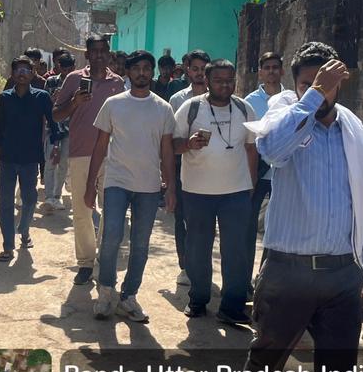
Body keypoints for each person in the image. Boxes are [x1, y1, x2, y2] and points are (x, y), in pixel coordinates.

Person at [211, 42, 363, 372]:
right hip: (288, 273)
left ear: (341, 83)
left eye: (325, 84)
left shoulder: (355, 134)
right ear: (297, 83)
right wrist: (311, 98)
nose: (317, 92)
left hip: (342, 277)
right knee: (265, 363)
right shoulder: (285, 116)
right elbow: (271, 150)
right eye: (307, 83)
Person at [85, 50, 177, 322]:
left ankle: (129, 297)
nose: (141, 73)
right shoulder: (114, 104)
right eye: (136, 68)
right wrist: (90, 184)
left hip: (148, 186)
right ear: (127, 71)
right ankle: (106, 292)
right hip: (116, 181)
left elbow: (167, 151)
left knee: (140, 244)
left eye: (146, 68)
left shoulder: (163, 108)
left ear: (152, 72)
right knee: (111, 236)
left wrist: (171, 188)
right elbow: (100, 145)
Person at [173, 59, 258, 324]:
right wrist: (188, 144)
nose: (225, 85)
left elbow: (251, 148)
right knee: (198, 248)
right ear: (207, 81)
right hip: (197, 192)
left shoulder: (244, 108)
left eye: (230, 80)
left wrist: (251, 183)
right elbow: (173, 144)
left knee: (236, 250)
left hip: (236, 192)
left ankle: (232, 306)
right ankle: (198, 299)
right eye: (219, 80)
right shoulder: (191, 108)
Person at [53, 35, 125, 284]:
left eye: (103, 51)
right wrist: (74, 102)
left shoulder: (117, 83)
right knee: (82, 210)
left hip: (111, 155)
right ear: (86, 54)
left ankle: (104, 258)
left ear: (109, 54)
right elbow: (56, 115)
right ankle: (85, 262)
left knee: (111, 209)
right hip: (81, 152)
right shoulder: (74, 79)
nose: (98, 55)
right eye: (94, 51)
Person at [0, 56, 60, 262]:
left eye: (26, 70)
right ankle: (8, 246)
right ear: (12, 74)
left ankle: (24, 230)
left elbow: (53, 122)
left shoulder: (41, 97)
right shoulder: (4, 98)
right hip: (8, 157)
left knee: (30, 199)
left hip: (31, 158)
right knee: (5, 202)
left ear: (33, 74)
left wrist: (56, 145)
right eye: (18, 70)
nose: (22, 73)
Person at [242, 52, 290, 276]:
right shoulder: (250, 102)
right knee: (249, 225)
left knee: (278, 226)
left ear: (282, 71)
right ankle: (244, 279)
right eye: (267, 68)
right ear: (260, 72)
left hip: (282, 171)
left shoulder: (291, 100)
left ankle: (265, 276)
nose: (271, 71)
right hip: (257, 171)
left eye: (275, 67)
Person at [168, 50, 211, 286]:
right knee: (182, 218)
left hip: (211, 168)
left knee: (205, 221)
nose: (200, 73)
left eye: (204, 69)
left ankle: (202, 265)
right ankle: (185, 266)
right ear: (187, 70)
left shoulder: (220, 98)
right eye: (195, 69)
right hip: (182, 166)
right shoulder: (177, 100)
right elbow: (169, 137)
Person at [41, 52, 76, 212]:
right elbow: (44, 106)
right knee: (50, 162)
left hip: (69, 128)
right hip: (52, 128)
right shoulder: (51, 82)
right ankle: (49, 197)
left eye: (70, 69)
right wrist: (53, 99)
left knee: (63, 164)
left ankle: (57, 195)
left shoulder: (77, 83)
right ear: (59, 67)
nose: (67, 72)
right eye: (64, 69)